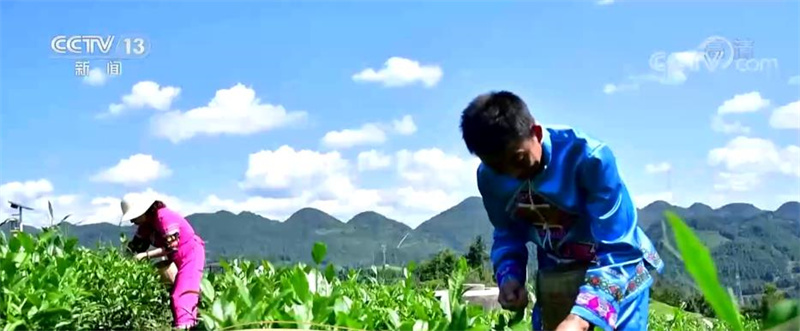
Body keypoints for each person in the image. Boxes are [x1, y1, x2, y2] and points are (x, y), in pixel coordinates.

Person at [459, 91, 664, 331]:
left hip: (616, 275)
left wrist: (581, 317)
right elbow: (507, 231)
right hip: (557, 278)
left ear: (535, 133)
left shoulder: (589, 158)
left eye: (519, 159)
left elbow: (619, 248)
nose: (513, 174)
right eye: (498, 168)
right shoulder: (489, 178)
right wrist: (510, 276)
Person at [122, 196, 206, 330]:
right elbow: (135, 247)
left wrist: (146, 255)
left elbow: (171, 247)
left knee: (183, 294)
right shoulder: (146, 226)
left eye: (134, 217)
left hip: (190, 253)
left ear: (143, 211)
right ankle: (196, 322)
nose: (132, 221)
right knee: (178, 292)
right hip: (176, 257)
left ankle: (186, 326)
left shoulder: (164, 217)